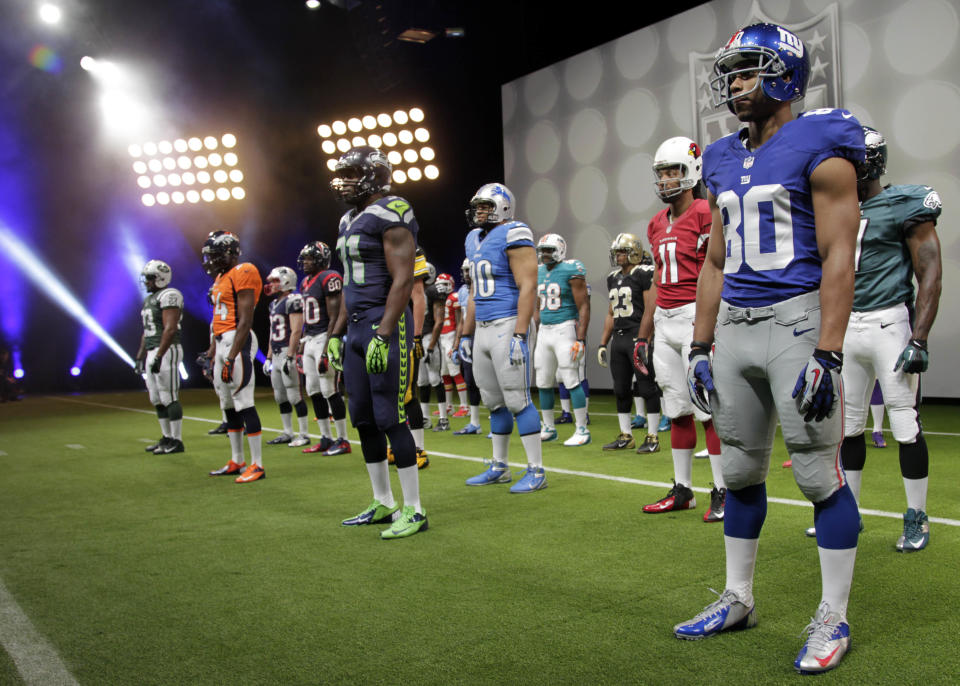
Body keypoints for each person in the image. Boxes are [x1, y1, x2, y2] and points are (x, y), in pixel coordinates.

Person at [678, 23, 864, 675]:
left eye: (748, 70)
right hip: (735, 327)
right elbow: (716, 260)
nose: (734, 83)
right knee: (738, 474)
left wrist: (829, 349)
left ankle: (832, 616)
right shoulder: (722, 157)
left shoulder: (824, 138)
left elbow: (841, 251)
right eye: (730, 72)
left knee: (817, 473)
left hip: (795, 322)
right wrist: (701, 343)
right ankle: (739, 598)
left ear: (785, 73)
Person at [804, 125, 942, 551]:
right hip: (847, 328)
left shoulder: (903, 203)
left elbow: (930, 271)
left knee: (904, 423)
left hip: (889, 326)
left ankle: (917, 517)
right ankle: (850, 514)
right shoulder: (833, 208)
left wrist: (919, 338)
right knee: (846, 431)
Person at [326, 145, 428, 539]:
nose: (345, 182)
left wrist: (384, 333)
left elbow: (403, 280)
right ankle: (383, 501)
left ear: (373, 175)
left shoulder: (394, 210)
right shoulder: (349, 218)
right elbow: (349, 284)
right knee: (363, 418)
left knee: (390, 417)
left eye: (352, 174)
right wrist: (336, 334)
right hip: (354, 326)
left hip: (383, 324)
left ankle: (415, 509)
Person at [642, 136, 725, 521]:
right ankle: (683, 489)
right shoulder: (656, 224)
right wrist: (645, 333)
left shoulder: (707, 212)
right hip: (665, 320)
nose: (665, 180)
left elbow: (717, 270)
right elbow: (658, 282)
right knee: (676, 409)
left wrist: (709, 327)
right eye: (661, 173)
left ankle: (722, 490)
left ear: (692, 171)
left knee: (708, 410)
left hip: (696, 315)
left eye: (673, 171)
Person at [458, 182, 545, 492]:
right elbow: (471, 293)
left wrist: (520, 333)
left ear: (503, 207)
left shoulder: (515, 232)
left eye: (485, 206)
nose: (479, 211)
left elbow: (528, 286)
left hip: (508, 323)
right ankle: (500, 466)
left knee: (518, 399)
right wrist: (465, 335)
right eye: (477, 206)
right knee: (494, 402)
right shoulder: (473, 239)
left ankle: (536, 469)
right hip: (482, 327)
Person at [203, 231, 266, 483]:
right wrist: (212, 352)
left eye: (216, 255)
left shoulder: (244, 271)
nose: (211, 261)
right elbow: (217, 319)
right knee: (227, 405)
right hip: (221, 341)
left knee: (244, 402)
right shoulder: (221, 277)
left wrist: (230, 356)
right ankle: (237, 459)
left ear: (229, 252)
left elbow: (245, 319)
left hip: (237, 340)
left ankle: (257, 464)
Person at [597, 234, 660, 452]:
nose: (619, 256)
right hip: (620, 337)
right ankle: (626, 435)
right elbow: (610, 312)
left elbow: (650, 307)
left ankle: (652, 436)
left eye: (622, 252)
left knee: (646, 386)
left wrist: (645, 338)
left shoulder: (643, 273)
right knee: (620, 388)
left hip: (636, 334)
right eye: (617, 252)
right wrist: (604, 342)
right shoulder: (613, 277)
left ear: (634, 252)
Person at [533, 233, 591, 446]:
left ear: (560, 250)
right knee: (543, 380)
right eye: (542, 251)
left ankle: (582, 429)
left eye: (549, 250)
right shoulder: (538, 271)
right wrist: (535, 324)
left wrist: (581, 338)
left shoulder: (571, 269)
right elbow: (538, 303)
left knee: (571, 378)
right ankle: (548, 427)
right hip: (545, 331)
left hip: (564, 328)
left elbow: (584, 304)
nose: (545, 255)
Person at [297, 241, 350, 456]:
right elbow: (305, 318)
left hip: (324, 338)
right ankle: (326, 438)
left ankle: (343, 439)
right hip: (309, 339)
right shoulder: (306, 282)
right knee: (313, 390)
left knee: (330, 389)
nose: (306, 262)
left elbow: (335, 315)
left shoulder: (329, 277)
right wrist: (301, 345)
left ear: (320, 259)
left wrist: (329, 346)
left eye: (310, 258)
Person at [134, 260, 185, 455]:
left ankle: (177, 440)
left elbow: (170, 328)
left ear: (161, 278)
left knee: (169, 395)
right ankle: (166, 437)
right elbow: (147, 331)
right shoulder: (150, 299)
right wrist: (141, 355)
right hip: (153, 349)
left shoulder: (169, 295)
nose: (146, 282)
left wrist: (160, 355)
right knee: (156, 397)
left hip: (167, 349)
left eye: (149, 278)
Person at [263, 266, 311, 447]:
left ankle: (304, 434)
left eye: (275, 281)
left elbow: (297, 330)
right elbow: (271, 333)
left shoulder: (294, 300)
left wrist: (291, 355)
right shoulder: (273, 304)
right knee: (279, 396)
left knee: (294, 394)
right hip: (275, 353)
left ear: (286, 281)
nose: (272, 285)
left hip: (286, 351)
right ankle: (287, 432)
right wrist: (268, 357)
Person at [453, 257, 484, 435]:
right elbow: (463, 320)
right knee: (470, 379)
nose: (466, 274)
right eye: (464, 270)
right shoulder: (463, 292)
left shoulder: (487, 287)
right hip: (469, 337)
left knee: (491, 380)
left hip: (486, 332)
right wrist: (457, 342)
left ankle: (502, 420)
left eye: (469, 270)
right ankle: (474, 422)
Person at [436, 272, 470, 422]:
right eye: (439, 285)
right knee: (444, 374)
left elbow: (459, 321)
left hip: (450, 336)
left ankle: (464, 406)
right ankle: (449, 405)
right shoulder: (439, 299)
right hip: (441, 337)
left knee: (455, 372)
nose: (441, 288)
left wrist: (456, 343)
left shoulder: (454, 297)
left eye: (444, 284)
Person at [417, 263, 445, 430]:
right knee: (422, 381)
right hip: (418, 339)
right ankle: (425, 418)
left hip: (429, 338)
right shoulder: (416, 290)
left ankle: (443, 419)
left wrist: (431, 346)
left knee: (435, 378)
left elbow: (439, 320)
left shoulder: (434, 291)